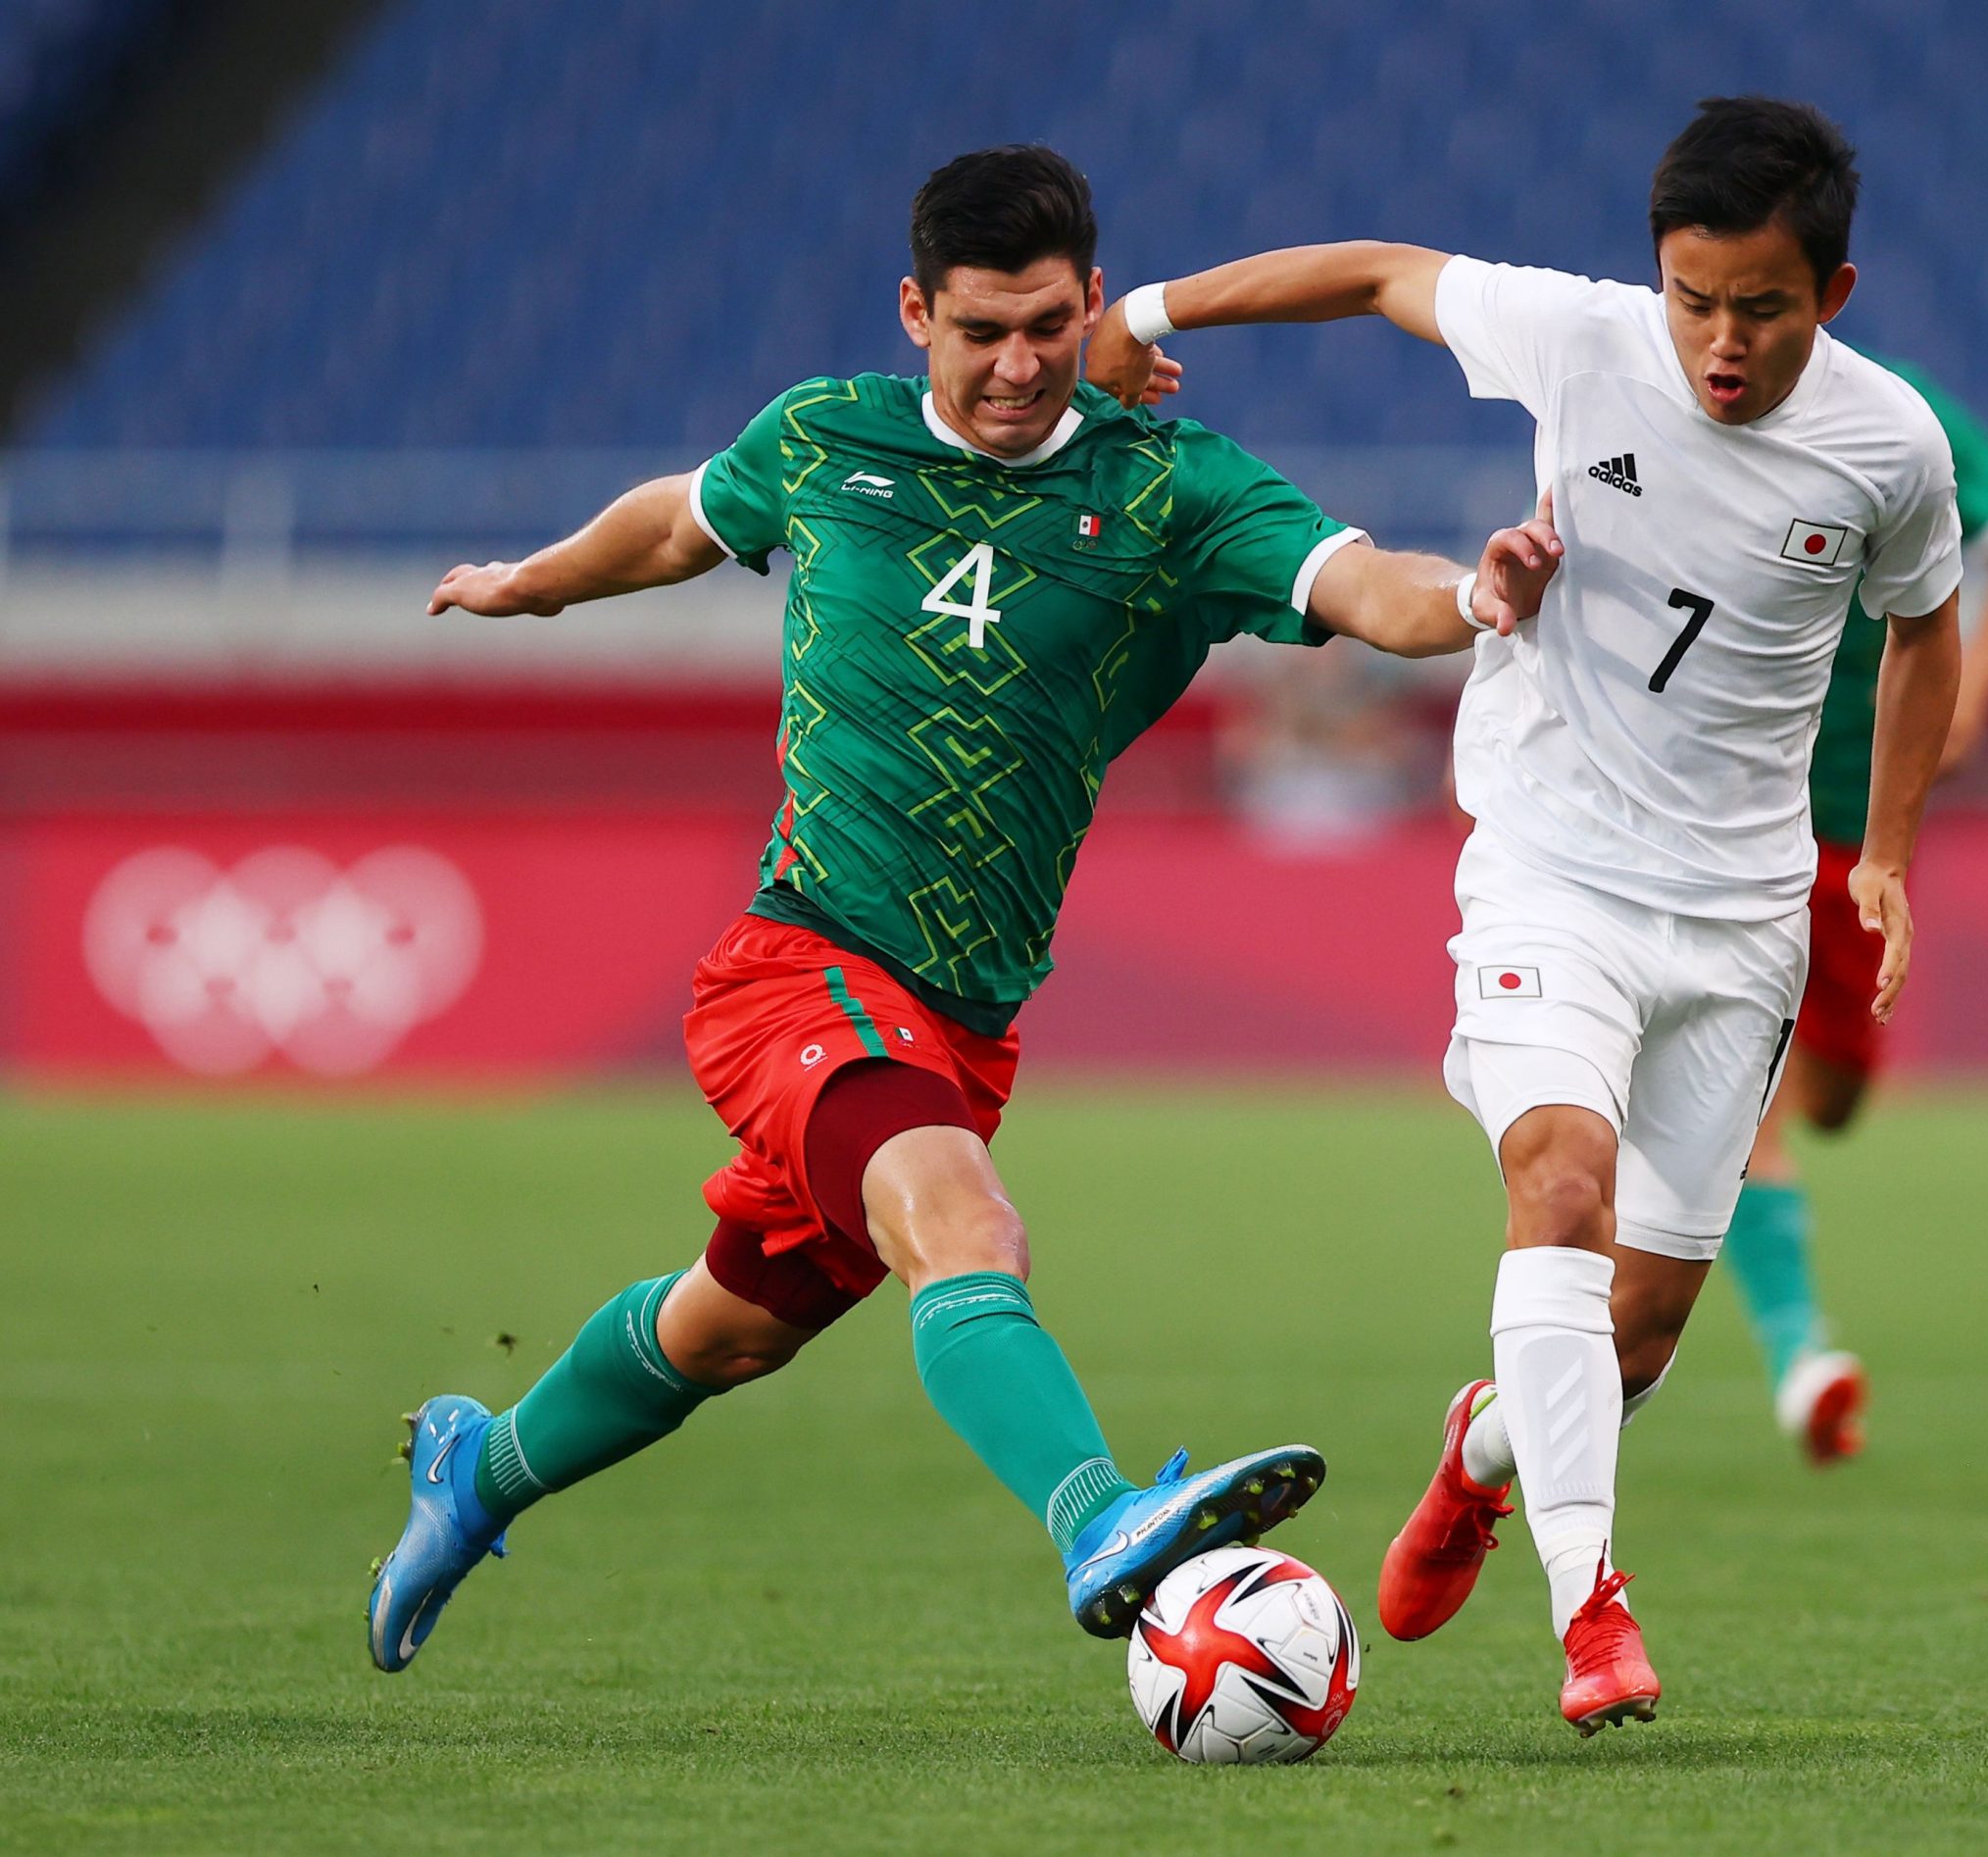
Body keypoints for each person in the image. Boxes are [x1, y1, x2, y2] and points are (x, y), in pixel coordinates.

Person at [368, 145, 1562, 1674]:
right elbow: (678, 520)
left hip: (962, 1021)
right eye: (981, 330)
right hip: (797, 966)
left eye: (1050, 326)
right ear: (917, 312)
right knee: (964, 1221)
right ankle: (1099, 1517)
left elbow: (1364, 586)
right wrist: (533, 582)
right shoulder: (824, 438)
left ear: (1096, 306)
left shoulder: (1169, 492)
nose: (1016, 365)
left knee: (732, 1323)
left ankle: (480, 1466)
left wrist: (1474, 596)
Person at [1092, 97, 1964, 1732]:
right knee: (1554, 1179)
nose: (1719, 338)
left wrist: (1891, 848)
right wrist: (1138, 315)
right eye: (1693, 296)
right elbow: (1368, 272)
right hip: (1550, 863)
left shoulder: (1891, 448)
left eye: (1760, 307)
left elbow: (1926, 630)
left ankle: (1483, 1456)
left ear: (1831, 295)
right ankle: (1592, 1604)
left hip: (1741, 913)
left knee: (1629, 1341)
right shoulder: (1578, 339)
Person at [1727, 361, 1988, 1466]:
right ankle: (1801, 1353)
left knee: (1829, 1096)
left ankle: (1794, 1334)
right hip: (1717, 818)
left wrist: (1964, 700)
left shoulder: (1899, 419)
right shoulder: (1650, 404)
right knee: (1734, 1093)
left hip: (1856, 828)